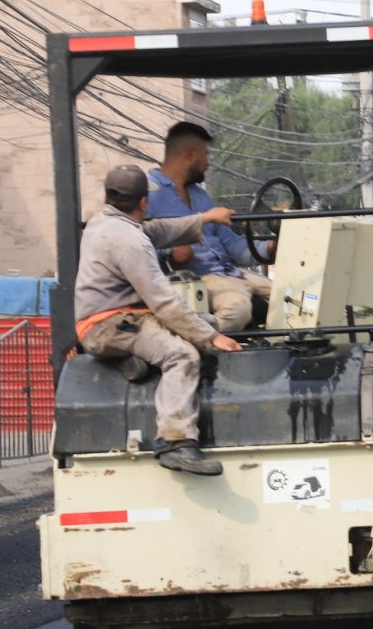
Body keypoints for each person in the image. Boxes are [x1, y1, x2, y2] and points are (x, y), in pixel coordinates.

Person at [75, 163, 242, 476]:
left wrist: (206, 218)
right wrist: (209, 339)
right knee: (183, 353)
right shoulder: (130, 242)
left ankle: (130, 360)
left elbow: (159, 230)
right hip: (109, 326)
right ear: (143, 202)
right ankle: (175, 442)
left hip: (110, 320)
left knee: (208, 321)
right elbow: (164, 302)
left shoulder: (103, 224)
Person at [148, 121, 271, 333]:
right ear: (189, 155)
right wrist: (169, 255)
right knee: (237, 310)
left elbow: (232, 244)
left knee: (296, 297)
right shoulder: (149, 193)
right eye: (206, 154)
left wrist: (268, 249)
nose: (209, 162)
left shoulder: (200, 195)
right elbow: (134, 242)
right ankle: (203, 348)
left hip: (231, 273)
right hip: (197, 279)